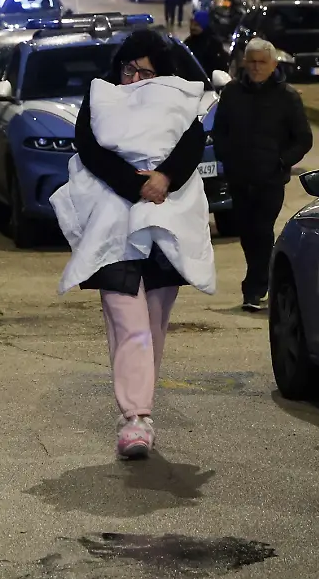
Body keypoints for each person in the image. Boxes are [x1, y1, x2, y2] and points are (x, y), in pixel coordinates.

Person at [52, 30, 214, 459]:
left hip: (164, 225)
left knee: (153, 325)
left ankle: (141, 412)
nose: (136, 79)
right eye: (130, 69)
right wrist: (134, 185)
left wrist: (164, 178)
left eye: (146, 72)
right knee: (131, 323)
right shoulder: (100, 98)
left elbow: (192, 142)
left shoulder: (179, 101)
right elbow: (89, 147)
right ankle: (135, 417)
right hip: (113, 228)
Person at [212, 38, 312, 311]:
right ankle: (260, 279)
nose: (256, 67)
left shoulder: (287, 96)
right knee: (247, 232)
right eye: (252, 62)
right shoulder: (232, 93)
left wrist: (281, 161)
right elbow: (220, 131)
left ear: (273, 64)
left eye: (262, 62)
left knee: (262, 229)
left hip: (270, 179)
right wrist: (227, 157)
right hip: (239, 177)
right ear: (244, 63)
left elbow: (303, 139)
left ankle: (254, 289)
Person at [185, 11, 229, 75]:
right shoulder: (189, 41)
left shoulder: (213, 44)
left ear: (204, 26)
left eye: (196, 25)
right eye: (191, 24)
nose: (192, 27)